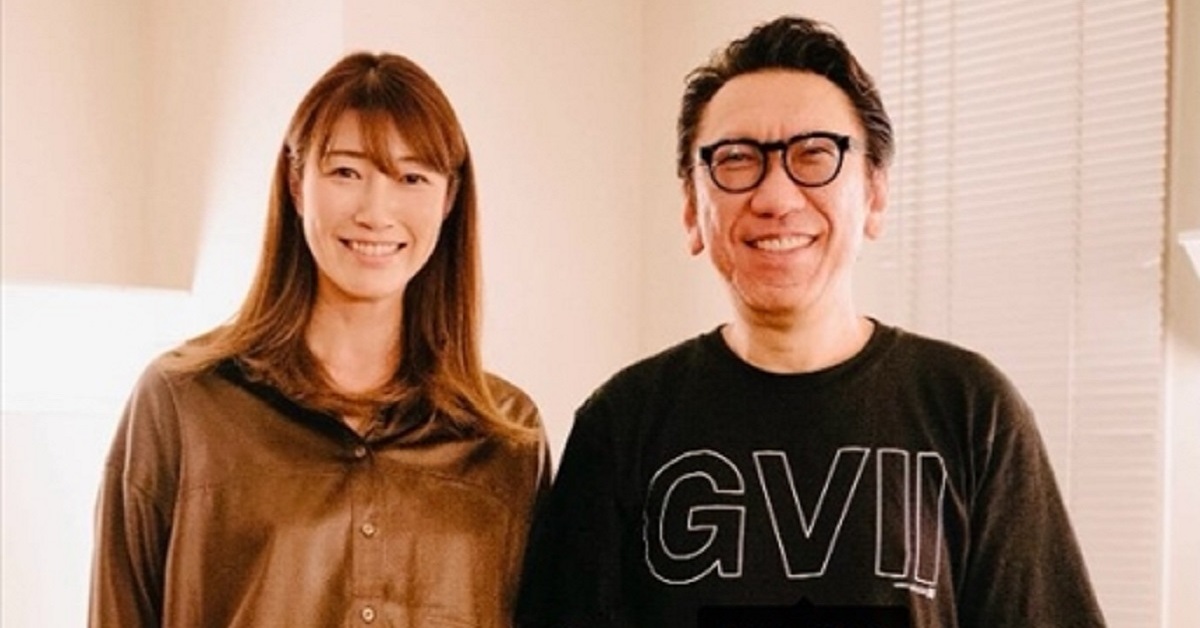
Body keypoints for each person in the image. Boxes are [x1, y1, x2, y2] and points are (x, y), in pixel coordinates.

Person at [516, 15, 1105, 628]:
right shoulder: (622, 422)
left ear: (874, 195)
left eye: (815, 155)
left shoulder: (970, 408)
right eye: (736, 160)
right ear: (692, 207)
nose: (775, 198)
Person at [89, 52, 548, 627]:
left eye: (412, 178)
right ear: (296, 183)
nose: (376, 213)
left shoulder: (507, 438)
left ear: (449, 199)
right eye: (346, 172)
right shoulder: (183, 404)